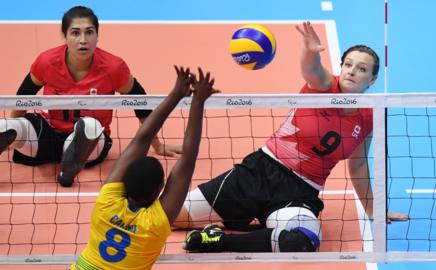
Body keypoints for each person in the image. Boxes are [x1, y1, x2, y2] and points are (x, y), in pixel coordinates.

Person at [178, 21, 408, 253]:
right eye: (348, 64)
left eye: (361, 68)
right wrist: (309, 51)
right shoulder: (324, 86)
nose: (352, 71)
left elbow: (358, 164)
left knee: (302, 241)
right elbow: (312, 69)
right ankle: (257, 227)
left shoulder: (370, 115)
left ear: (372, 80)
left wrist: (372, 209)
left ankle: (218, 240)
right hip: (259, 173)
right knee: (173, 216)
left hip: (300, 193)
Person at [0, 6, 181, 187]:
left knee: (90, 126)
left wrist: (157, 145)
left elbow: (141, 103)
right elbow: (23, 96)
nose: (83, 40)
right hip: (46, 135)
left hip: (91, 145)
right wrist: (15, 135)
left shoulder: (113, 67)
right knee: (4, 126)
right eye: (75, 33)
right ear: (64, 36)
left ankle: (70, 168)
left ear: (97, 36)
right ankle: (61, 157)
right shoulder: (47, 62)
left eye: (89, 32)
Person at [70, 65, 218, 269]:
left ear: (124, 182)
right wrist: (198, 101)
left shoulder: (107, 202)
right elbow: (187, 159)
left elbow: (143, 138)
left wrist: (175, 94)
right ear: (159, 190)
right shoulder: (154, 223)